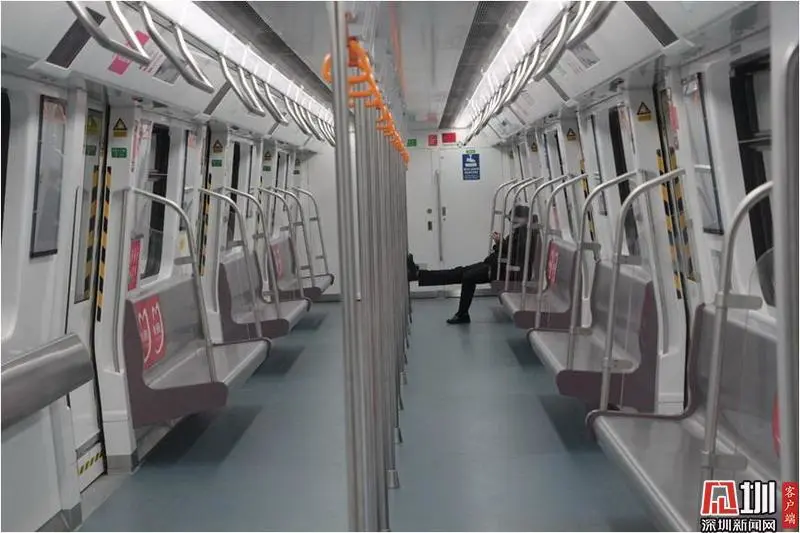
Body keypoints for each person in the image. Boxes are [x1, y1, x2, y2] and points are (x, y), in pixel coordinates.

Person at [407, 205, 538, 324]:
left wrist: (500, 243)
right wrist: (500, 244)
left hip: (507, 271)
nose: (511, 223)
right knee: (460, 272)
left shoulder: (527, 234)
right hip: (498, 266)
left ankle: (462, 314)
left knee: (468, 277)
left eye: (513, 221)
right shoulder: (522, 231)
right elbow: (510, 250)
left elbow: (516, 254)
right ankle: (419, 275)